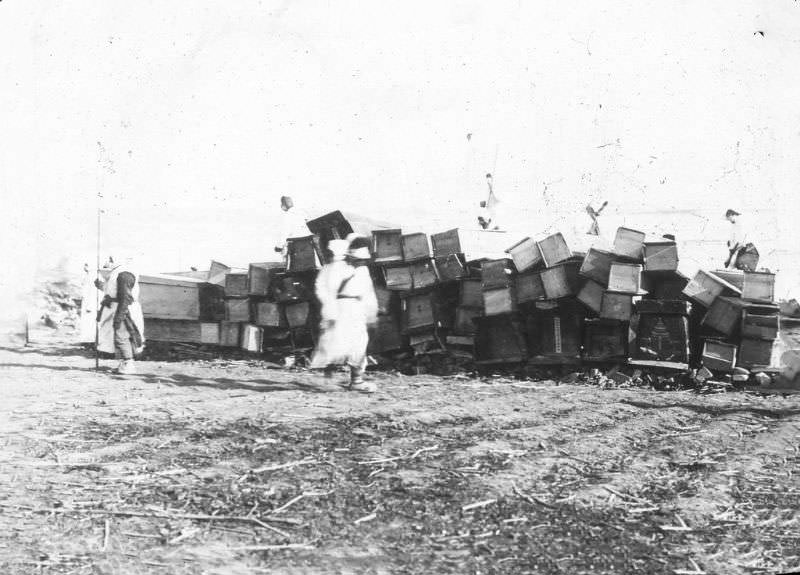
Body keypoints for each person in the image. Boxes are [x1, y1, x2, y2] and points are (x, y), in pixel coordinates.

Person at [309, 235, 378, 392]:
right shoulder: (335, 269)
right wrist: (330, 312)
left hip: (356, 309)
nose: (362, 263)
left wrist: (371, 314)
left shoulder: (362, 271)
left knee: (359, 343)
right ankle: (328, 381)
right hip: (340, 308)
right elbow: (325, 291)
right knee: (334, 342)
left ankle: (356, 380)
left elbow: (368, 294)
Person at [94, 257, 145, 374]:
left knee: (121, 335)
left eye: (111, 259)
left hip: (123, 308)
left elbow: (125, 297)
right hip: (116, 307)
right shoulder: (117, 273)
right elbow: (113, 291)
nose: (108, 262)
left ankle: (128, 364)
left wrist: (120, 315)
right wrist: (101, 286)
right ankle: (124, 363)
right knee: (118, 335)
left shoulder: (124, 274)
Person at [77, 263, 98, 347]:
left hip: (90, 303)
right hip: (86, 302)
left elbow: (92, 292)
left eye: (86, 265)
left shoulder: (93, 276)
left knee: (90, 323)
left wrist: (90, 305)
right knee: (85, 322)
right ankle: (85, 341)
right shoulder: (87, 276)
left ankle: (90, 342)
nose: (84, 267)